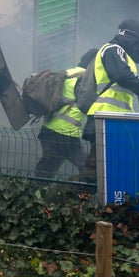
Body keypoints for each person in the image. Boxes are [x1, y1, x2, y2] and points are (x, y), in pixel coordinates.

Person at [80, 19, 139, 181]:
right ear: (131, 38)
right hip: (104, 118)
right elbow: (122, 76)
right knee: (95, 169)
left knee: (112, 168)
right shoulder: (114, 49)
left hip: (116, 120)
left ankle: (101, 201)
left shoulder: (124, 57)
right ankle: (83, 200)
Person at [34, 48, 98, 181]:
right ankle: (86, 196)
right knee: (90, 171)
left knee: (46, 170)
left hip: (48, 130)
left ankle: (34, 197)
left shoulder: (67, 73)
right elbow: (88, 104)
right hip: (67, 134)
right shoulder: (87, 80)